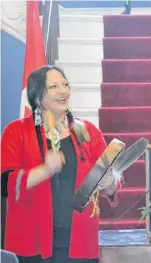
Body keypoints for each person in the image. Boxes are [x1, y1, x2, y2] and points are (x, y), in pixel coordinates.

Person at [1, 65, 121, 263]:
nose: (63, 90)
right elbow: (4, 184)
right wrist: (45, 170)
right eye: (54, 86)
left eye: (65, 84)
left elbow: (111, 184)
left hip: (79, 243)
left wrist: (109, 183)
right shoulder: (16, 132)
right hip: (32, 244)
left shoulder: (88, 132)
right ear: (38, 97)